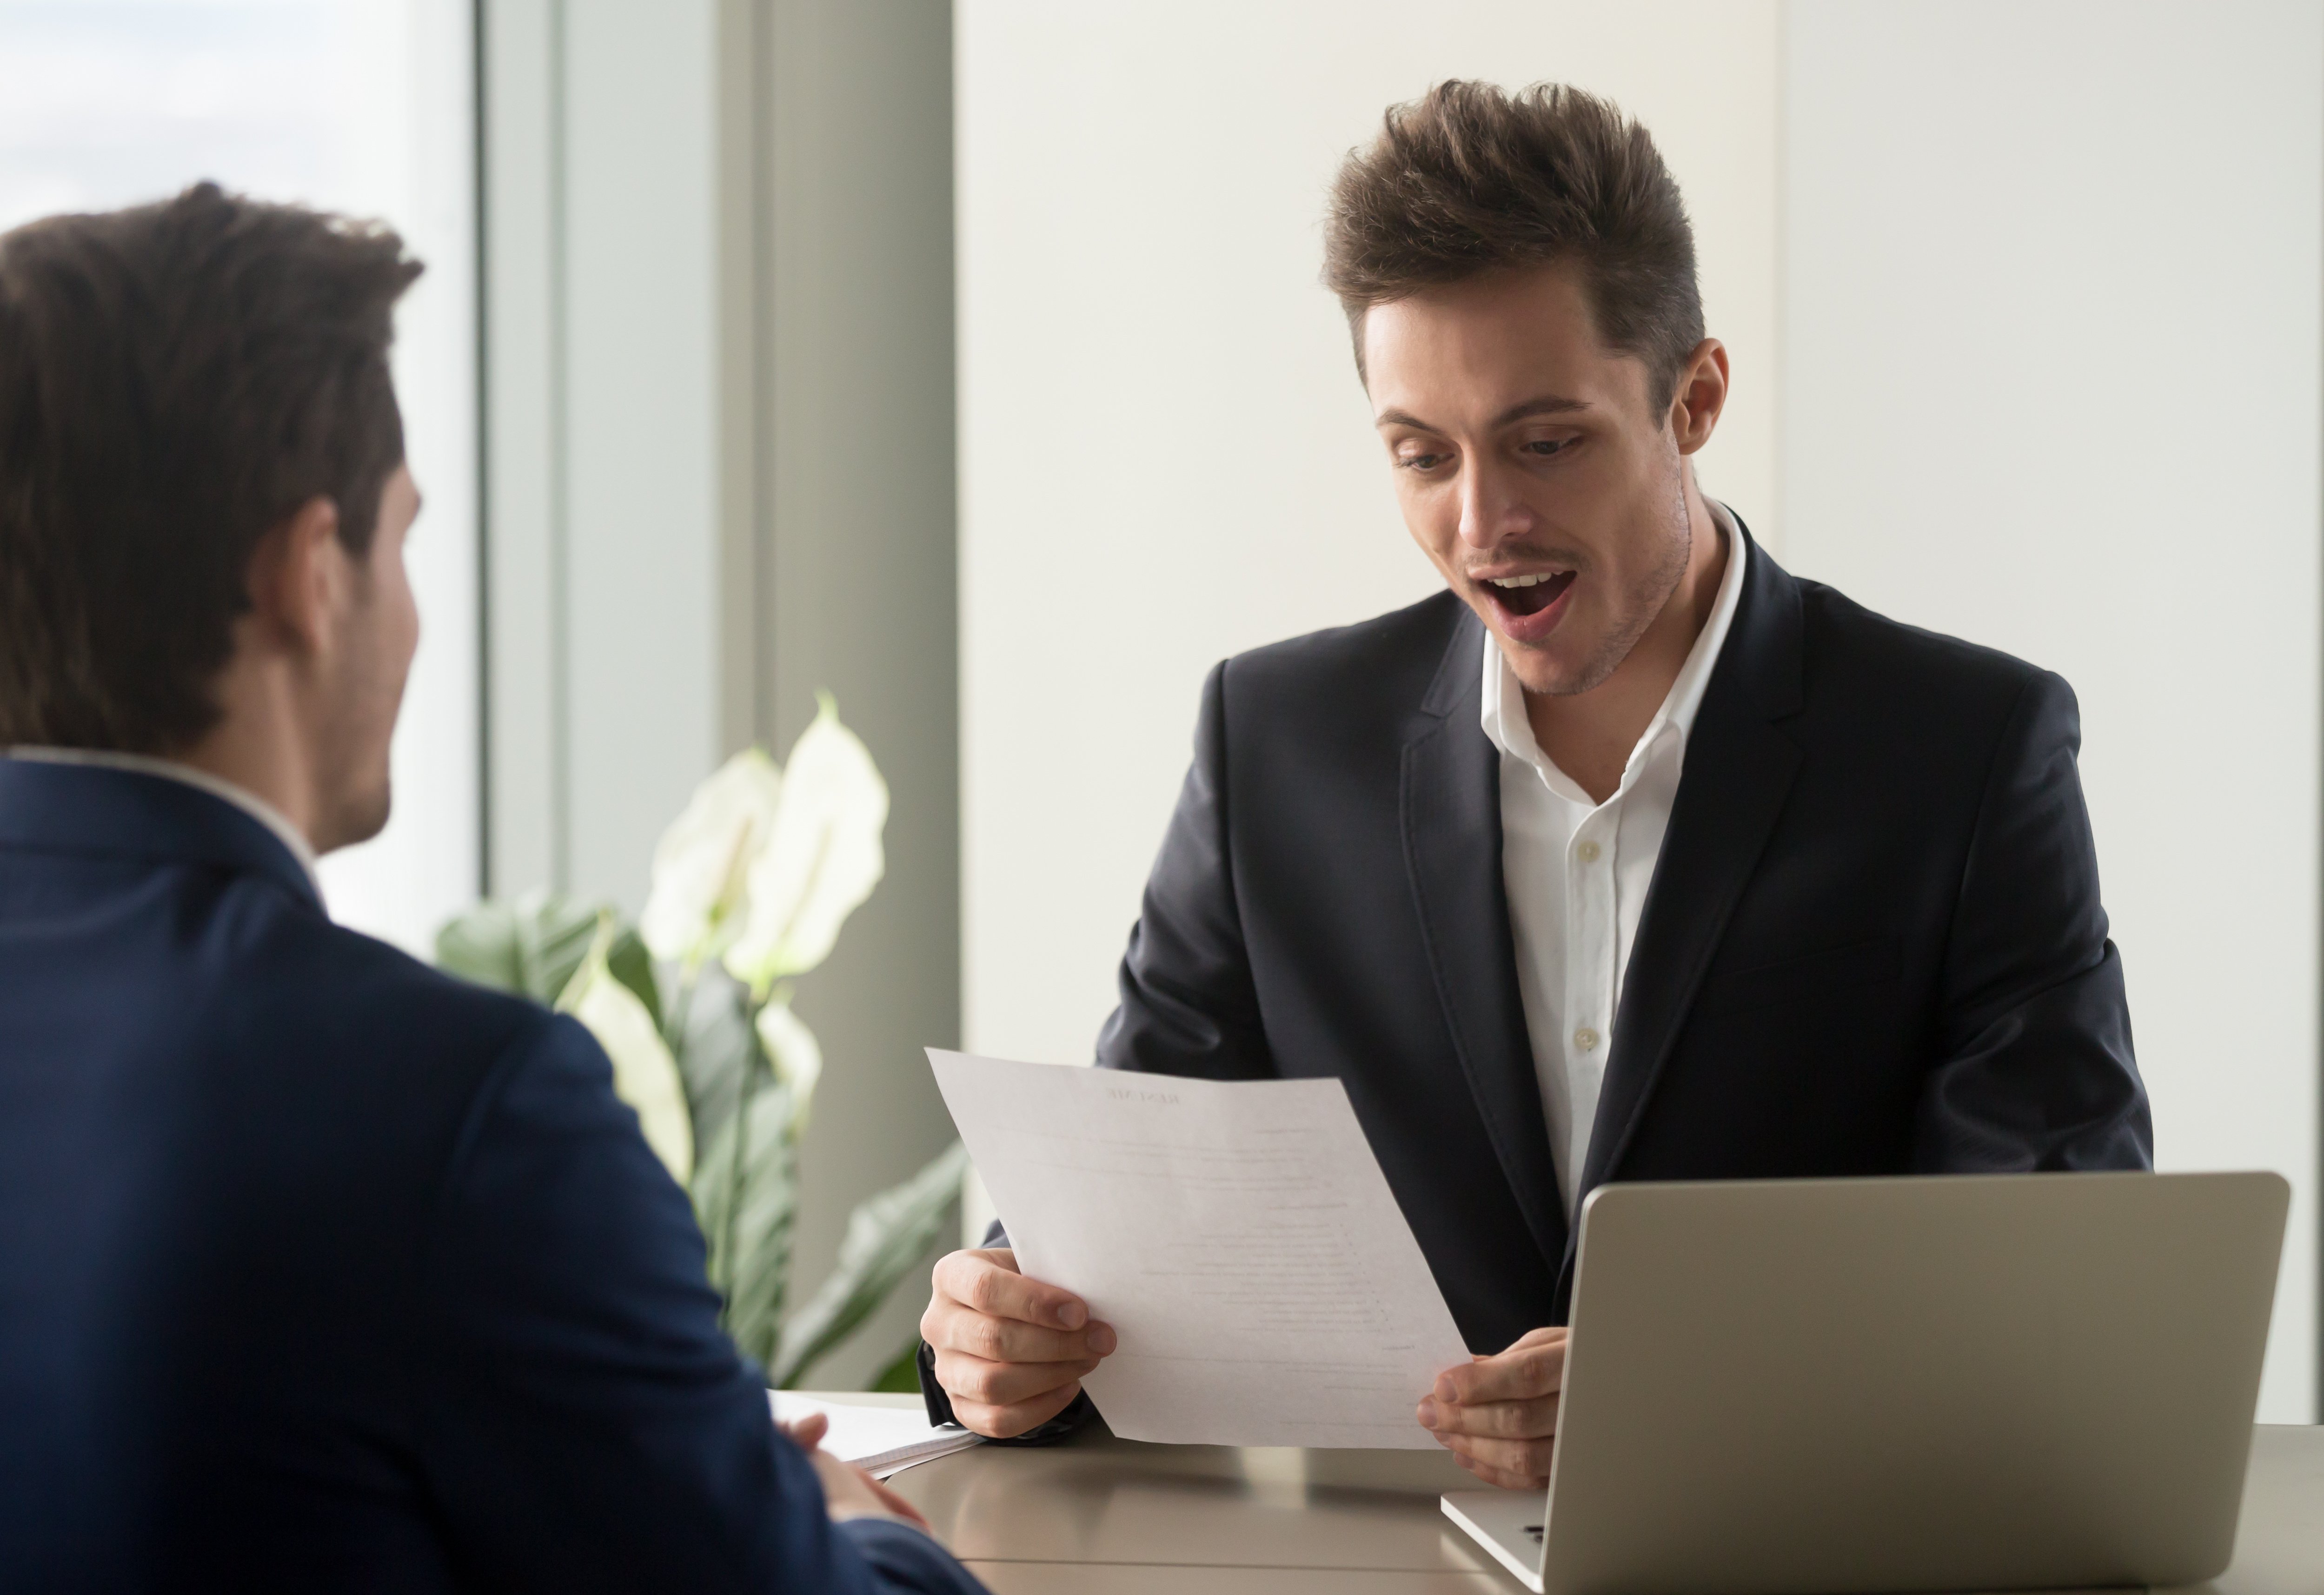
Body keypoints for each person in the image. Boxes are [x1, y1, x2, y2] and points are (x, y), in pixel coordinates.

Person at [917, 81, 2151, 1489]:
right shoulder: (1276, 744)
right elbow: (1138, 1216)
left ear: (1694, 400)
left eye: (1546, 442)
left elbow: (2059, 1281)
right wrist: (1004, 1336)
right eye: (1420, 454)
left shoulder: (1965, 749)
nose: (1481, 522)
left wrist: (1692, 1390)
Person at [0, 184, 983, 1594]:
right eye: (395, 541)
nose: (409, 608)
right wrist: (865, 1536)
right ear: (306, 578)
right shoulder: (454, 1110)